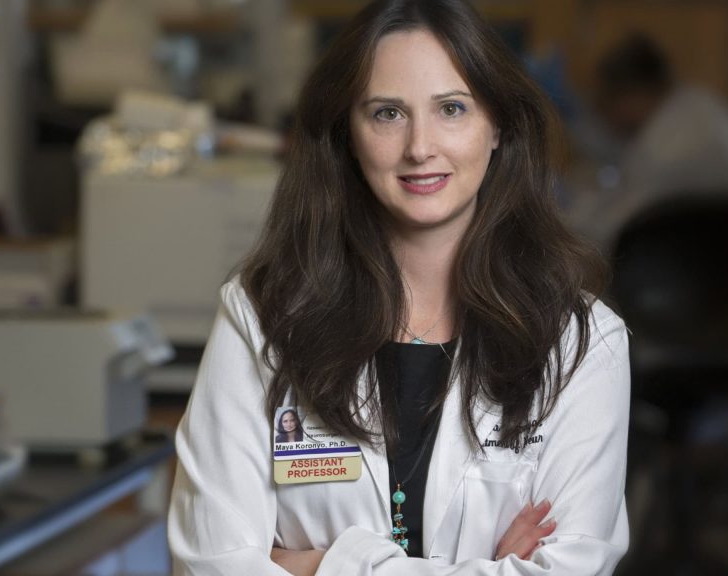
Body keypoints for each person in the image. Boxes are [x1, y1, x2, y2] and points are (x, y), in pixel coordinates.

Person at [168, 1, 630, 574]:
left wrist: (322, 567)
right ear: (348, 134)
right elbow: (209, 565)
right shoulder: (262, 317)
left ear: (497, 128)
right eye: (387, 113)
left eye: (452, 109)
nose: (419, 147)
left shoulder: (582, 342)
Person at [566, 33, 728, 248]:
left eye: (606, 103)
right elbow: (621, 157)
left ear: (630, 95)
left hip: (700, 261)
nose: (606, 116)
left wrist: (562, 219)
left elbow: (616, 231)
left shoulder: (665, 148)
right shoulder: (701, 106)